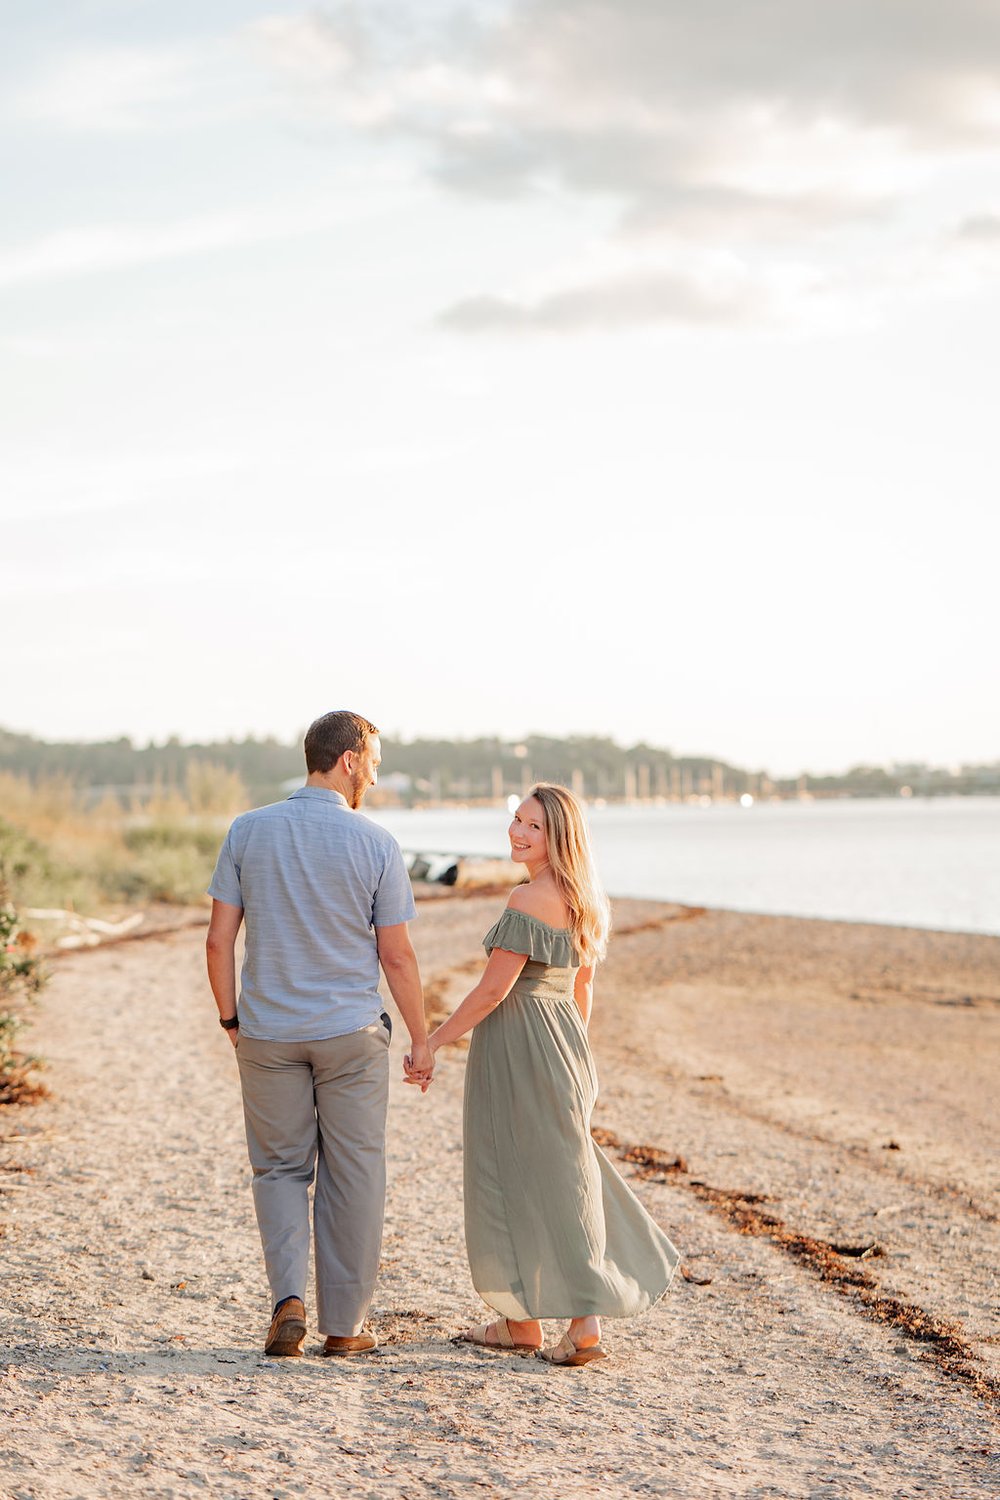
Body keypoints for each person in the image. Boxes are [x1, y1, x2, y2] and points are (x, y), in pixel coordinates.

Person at [423, 783, 679, 1366]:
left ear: (558, 835)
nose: (517, 832)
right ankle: (525, 1323)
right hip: (566, 1042)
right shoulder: (588, 898)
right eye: (515, 820)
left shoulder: (527, 900)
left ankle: (576, 1322)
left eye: (532, 826)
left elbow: (493, 990)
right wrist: (573, 1055)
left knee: (512, 1171)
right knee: (560, 1173)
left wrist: (434, 1041)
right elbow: (582, 990)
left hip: (521, 1047)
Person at [206, 709, 433, 1359]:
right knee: (355, 1172)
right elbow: (397, 957)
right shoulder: (376, 844)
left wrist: (231, 1021)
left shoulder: (247, 832)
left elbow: (219, 940)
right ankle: (344, 1327)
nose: (376, 777)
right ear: (349, 760)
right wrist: (421, 1038)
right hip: (350, 1036)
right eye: (375, 763)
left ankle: (288, 1301)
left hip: (269, 1033)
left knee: (277, 1170)